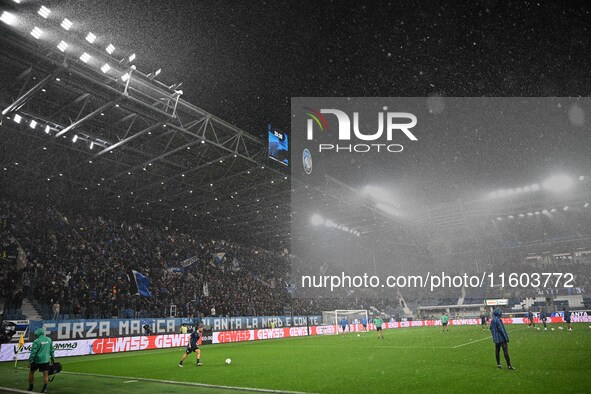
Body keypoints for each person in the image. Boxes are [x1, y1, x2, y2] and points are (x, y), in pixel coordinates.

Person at [28, 328, 55, 393]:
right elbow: (52, 350)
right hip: (45, 360)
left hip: (36, 360)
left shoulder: (36, 341)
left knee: (31, 373)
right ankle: (44, 389)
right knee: (45, 374)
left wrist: (29, 361)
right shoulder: (49, 339)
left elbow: (33, 352)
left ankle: (31, 388)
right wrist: (53, 358)